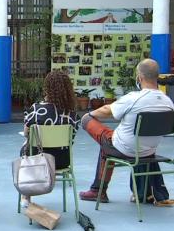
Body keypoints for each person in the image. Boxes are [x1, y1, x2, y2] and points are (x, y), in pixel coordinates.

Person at [79, 59, 174, 205]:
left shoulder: (133, 98)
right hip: (148, 151)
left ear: (139, 77)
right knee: (110, 140)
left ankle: (98, 191)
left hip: (125, 148)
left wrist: (90, 114)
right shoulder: (168, 103)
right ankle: (142, 192)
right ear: (157, 76)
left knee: (88, 122)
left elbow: (106, 111)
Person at [20, 70, 80, 207]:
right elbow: (71, 139)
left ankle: (26, 196)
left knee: (25, 149)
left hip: (38, 160)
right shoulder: (73, 115)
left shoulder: (36, 109)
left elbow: (26, 133)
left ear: (46, 88)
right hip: (62, 161)